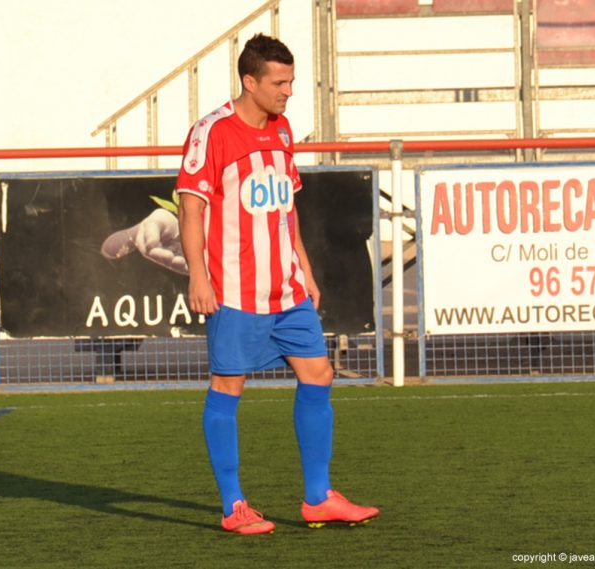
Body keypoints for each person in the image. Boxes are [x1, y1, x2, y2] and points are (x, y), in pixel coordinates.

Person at [175, 33, 379, 535]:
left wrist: (304, 269)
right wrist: (198, 275)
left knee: (319, 373)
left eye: (291, 81)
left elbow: (286, 210)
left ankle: (318, 498)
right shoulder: (212, 132)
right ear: (250, 81)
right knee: (229, 386)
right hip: (235, 292)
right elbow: (190, 207)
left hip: (286, 290)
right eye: (279, 82)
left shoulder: (283, 129)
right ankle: (233, 506)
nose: (289, 91)